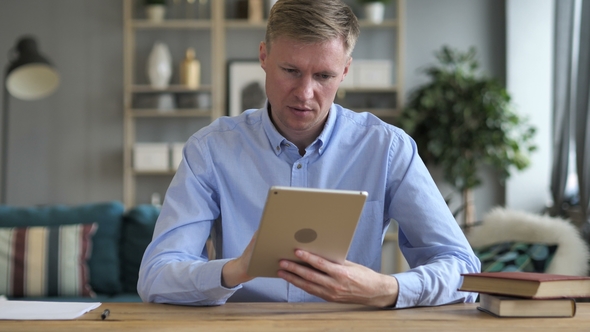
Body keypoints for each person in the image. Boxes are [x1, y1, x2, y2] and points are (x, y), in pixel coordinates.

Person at [138, 0, 480, 308]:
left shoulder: (388, 149)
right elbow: (156, 276)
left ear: (345, 71)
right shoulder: (210, 150)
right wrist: (234, 270)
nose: (305, 93)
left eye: (324, 76)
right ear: (263, 56)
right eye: (291, 71)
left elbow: (463, 269)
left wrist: (386, 288)